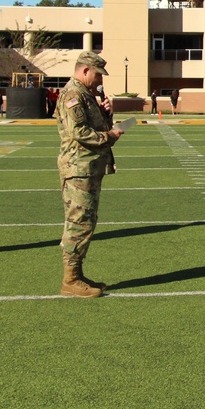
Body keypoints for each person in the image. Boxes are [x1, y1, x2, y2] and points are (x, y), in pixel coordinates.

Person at [56, 51, 125, 298]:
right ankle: (70, 279)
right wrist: (111, 136)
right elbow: (80, 132)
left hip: (88, 167)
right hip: (79, 168)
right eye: (97, 75)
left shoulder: (87, 94)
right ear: (85, 70)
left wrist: (107, 114)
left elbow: (94, 126)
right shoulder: (73, 94)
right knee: (79, 221)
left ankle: (77, 274)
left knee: (86, 220)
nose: (100, 81)